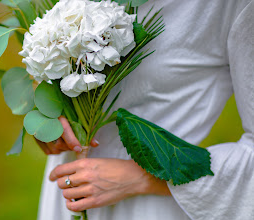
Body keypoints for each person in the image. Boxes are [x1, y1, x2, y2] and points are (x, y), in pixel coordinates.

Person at [37, 0, 254, 219]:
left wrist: (139, 177)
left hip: (149, 205)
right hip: (66, 190)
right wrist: (45, 113)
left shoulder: (230, 6)